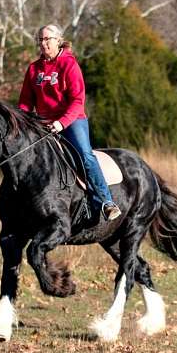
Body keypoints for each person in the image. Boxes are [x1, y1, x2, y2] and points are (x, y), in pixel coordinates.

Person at [18, 23, 121, 221]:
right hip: (42, 124)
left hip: (71, 121)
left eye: (47, 39)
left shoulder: (69, 64)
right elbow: (25, 102)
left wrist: (61, 123)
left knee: (85, 155)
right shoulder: (33, 69)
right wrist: (21, 123)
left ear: (58, 40)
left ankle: (105, 201)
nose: (43, 43)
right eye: (40, 39)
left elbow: (77, 101)